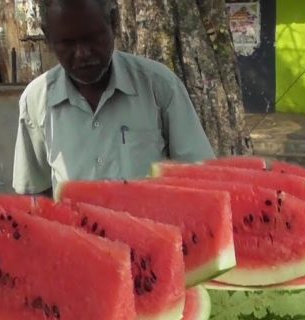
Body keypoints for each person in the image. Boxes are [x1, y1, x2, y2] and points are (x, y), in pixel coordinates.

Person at [12, 0, 215, 195]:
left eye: (92, 38)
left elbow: (200, 178)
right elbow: (36, 192)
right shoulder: (36, 100)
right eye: (67, 43)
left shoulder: (160, 86)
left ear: (114, 23)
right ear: (48, 38)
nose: (82, 53)